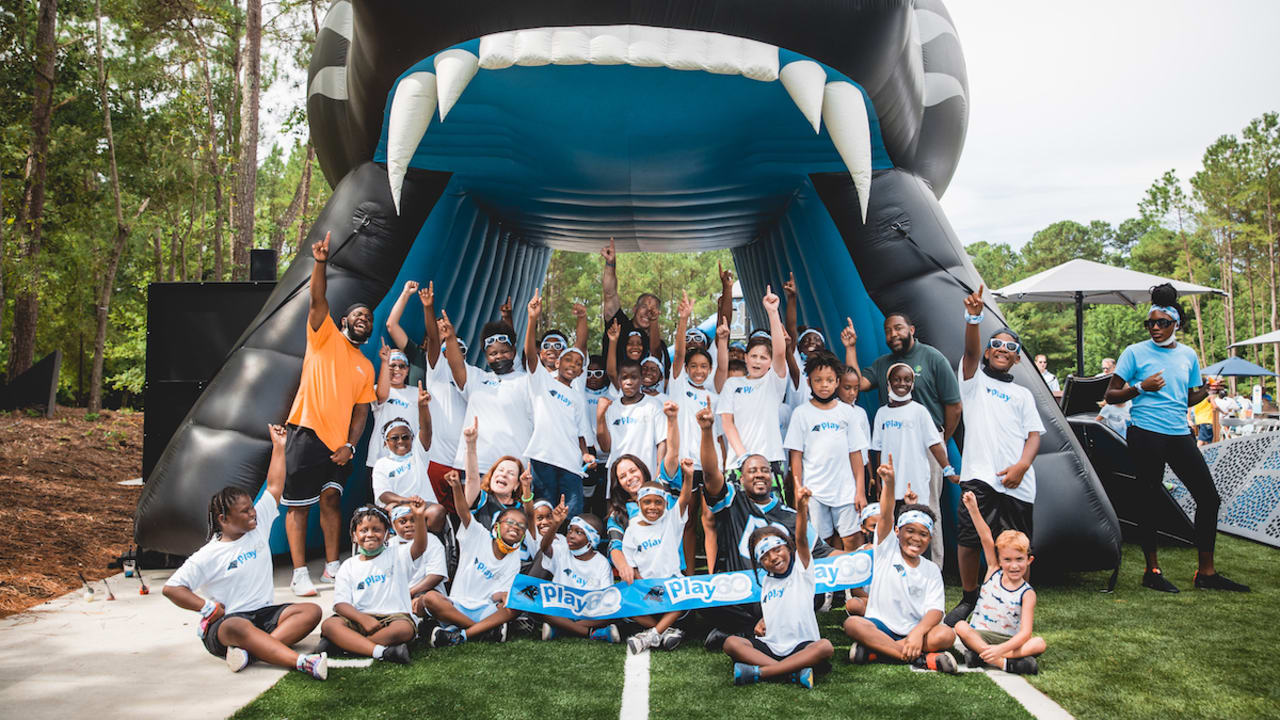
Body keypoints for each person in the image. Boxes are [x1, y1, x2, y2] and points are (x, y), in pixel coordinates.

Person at [1104, 284, 1249, 593]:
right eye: (1150, 323)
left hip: (1179, 433)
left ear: (1175, 324)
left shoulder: (1188, 355)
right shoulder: (1134, 352)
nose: (1155, 328)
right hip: (1145, 433)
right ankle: (1152, 570)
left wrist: (1210, 390)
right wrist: (1141, 387)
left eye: (1162, 323)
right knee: (1149, 500)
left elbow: (1187, 397)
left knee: (1209, 499)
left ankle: (1206, 573)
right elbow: (1111, 394)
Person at [163, 424, 327, 679]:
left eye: (251, 507)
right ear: (224, 519)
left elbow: (274, 486)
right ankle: (302, 662)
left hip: (262, 614)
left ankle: (251, 653)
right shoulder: (208, 555)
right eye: (244, 511)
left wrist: (279, 447)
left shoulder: (258, 525)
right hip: (228, 624)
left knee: (310, 612)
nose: (253, 513)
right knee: (237, 626)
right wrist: (206, 608)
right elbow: (172, 588)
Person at [697, 407, 838, 650]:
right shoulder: (732, 502)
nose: (759, 474)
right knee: (705, 598)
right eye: (752, 471)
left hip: (782, 592)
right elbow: (710, 475)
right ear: (741, 479)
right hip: (744, 594)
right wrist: (707, 430)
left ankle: (743, 633)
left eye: (765, 470)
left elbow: (825, 553)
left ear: (773, 477)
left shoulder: (791, 516)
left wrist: (865, 555)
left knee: (811, 595)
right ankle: (761, 628)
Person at [944, 286, 1043, 627]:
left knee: (1015, 543)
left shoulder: (1023, 394)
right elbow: (970, 352)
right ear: (987, 354)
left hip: (1018, 482)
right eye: (996, 345)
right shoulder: (974, 383)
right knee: (970, 540)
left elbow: (1034, 435)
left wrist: (1021, 466)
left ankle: (1012, 598)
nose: (1002, 349)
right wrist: (974, 318)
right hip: (979, 476)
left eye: (1010, 347)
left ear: (1018, 357)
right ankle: (970, 596)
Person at [284, 232, 377, 596]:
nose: (363, 319)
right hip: (306, 432)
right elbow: (317, 297)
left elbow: (361, 412)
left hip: (338, 446)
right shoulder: (323, 337)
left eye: (367, 317)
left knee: (331, 500)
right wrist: (319, 263)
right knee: (298, 506)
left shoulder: (365, 366)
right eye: (357, 315)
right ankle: (298, 572)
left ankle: (332, 566)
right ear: (342, 321)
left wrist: (350, 447)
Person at [842, 313, 961, 565]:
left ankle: (931, 567)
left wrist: (940, 440)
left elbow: (954, 406)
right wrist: (850, 347)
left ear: (911, 329)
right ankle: (896, 565)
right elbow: (856, 383)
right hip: (894, 448)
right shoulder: (884, 364)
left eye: (898, 328)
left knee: (926, 508)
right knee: (893, 509)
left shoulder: (932, 357)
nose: (893, 334)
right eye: (888, 331)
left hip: (928, 444)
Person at [843, 455, 958, 674]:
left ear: (930, 538)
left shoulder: (931, 569)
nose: (916, 538)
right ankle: (917, 658)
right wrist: (890, 483)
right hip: (881, 627)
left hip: (914, 631)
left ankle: (877, 652)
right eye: (910, 531)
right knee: (853, 624)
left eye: (923, 534)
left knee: (945, 635)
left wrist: (917, 634)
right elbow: (886, 515)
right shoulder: (887, 549)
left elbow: (935, 610)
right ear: (897, 532)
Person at [724, 484, 834, 689]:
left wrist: (801, 507)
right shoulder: (766, 581)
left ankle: (763, 672)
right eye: (764, 556)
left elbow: (801, 538)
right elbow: (779, 607)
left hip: (802, 646)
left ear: (788, 547)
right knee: (731, 643)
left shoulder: (802, 569)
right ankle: (791, 673)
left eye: (777, 549)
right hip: (773, 646)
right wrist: (763, 619)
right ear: (759, 563)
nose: (773, 558)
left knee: (825, 647)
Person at [386, 280, 469, 518]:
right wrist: (415, 299)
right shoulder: (421, 357)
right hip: (421, 437)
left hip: (447, 447)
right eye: (435, 340)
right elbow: (392, 326)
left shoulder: (466, 375)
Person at [422, 470, 527, 646]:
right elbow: (464, 512)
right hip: (456, 606)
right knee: (430, 598)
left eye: (521, 526)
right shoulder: (479, 535)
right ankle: (482, 631)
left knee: (515, 605)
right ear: (497, 526)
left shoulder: (514, 557)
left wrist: (504, 595)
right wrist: (456, 487)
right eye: (510, 522)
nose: (515, 527)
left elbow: (498, 595)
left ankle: (459, 635)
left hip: (485, 610)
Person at [319, 502, 431, 664]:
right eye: (363, 530)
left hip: (394, 618)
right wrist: (363, 619)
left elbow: (420, 546)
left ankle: (345, 645)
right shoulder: (348, 566)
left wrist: (419, 516)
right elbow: (340, 604)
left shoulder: (397, 555)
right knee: (330, 625)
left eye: (376, 530)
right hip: (359, 619)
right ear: (354, 536)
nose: (370, 534)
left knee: (404, 630)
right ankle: (383, 652)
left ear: (387, 535)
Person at [522, 290, 596, 519]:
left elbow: (580, 429)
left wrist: (585, 453)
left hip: (570, 462)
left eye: (577, 363)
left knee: (571, 514)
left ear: (582, 370)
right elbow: (530, 355)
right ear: (557, 361)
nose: (572, 365)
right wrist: (532, 319)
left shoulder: (576, 395)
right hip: (543, 457)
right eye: (567, 359)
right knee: (543, 510)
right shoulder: (541, 381)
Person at [953, 491, 1045, 674]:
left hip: (1009, 639)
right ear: (1000, 560)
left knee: (1039, 643)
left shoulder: (1027, 593)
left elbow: (1026, 633)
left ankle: (983, 656)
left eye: (1019, 559)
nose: (1014, 566)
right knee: (961, 626)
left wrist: (1000, 650)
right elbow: (986, 537)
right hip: (982, 634)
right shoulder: (993, 571)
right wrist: (973, 508)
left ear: (1029, 560)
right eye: (1008, 560)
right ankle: (1006, 663)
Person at [784, 352, 868, 552]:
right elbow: (795, 456)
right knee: (822, 544)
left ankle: (854, 584)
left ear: (837, 382)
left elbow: (855, 454)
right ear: (808, 382)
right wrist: (798, 490)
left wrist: (860, 492)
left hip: (846, 492)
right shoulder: (801, 414)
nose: (824, 385)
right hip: (814, 491)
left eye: (830, 380)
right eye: (818, 380)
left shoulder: (846, 412)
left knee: (852, 540)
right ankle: (828, 583)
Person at [670, 292, 729, 573]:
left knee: (710, 519)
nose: (698, 370)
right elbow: (679, 353)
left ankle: (714, 575)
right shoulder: (678, 386)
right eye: (693, 366)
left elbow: (718, 437)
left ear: (710, 369)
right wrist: (683, 319)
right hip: (686, 464)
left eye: (703, 366)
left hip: (711, 466)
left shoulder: (714, 395)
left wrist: (724, 463)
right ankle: (689, 574)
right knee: (687, 520)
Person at [868, 364, 957, 542]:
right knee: (892, 533)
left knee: (917, 530)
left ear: (913, 384)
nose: (902, 383)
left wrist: (948, 469)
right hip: (891, 487)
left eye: (907, 379)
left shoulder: (920, 411)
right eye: (897, 379)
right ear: (889, 383)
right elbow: (877, 449)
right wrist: (878, 481)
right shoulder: (882, 414)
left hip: (915, 485)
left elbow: (935, 444)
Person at [440, 311, 534, 478]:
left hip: (513, 468)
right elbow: (456, 364)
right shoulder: (476, 377)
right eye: (493, 353)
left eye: (504, 351)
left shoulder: (527, 381)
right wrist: (450, 337)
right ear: (486, 356)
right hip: (473, 466)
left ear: (513, 351)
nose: (499, 356)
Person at [622, 457, 696, 655]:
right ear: (639, 503)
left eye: (658, 502)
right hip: (648, 589)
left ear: (665, 503)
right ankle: (664, 632)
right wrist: (644, 588)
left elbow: (685, 498)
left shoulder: (671, 520)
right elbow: (632, 565)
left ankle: (651, 634)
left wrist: (688, 476)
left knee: (684, 599)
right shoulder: (632, 529)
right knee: (626, 606)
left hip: (672, 585)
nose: (653, 507)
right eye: (647, 502)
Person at [719, 286, 789, 479]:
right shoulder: (732, 385)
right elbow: (727, 423)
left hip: (770, 459)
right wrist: (743, 456)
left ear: (770, 362)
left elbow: (781, 352)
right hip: (737, 461)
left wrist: (772, 312)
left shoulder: (773, 382)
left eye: (764, 358)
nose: (758, 361)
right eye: (754, 356)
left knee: (771, 509)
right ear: (746, 358)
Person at [533, 498, 621, 643]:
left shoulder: (601, 563)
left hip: (589, 613)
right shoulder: (562, 550)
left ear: (592, 539)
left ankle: (560, 629)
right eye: (570, 530)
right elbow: (544, 547)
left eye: (579, 532)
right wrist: (555, 523)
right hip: (561, 609)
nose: (571, 535)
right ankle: (591, 633)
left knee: (613, 612)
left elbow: (607, 597)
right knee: (536, 605)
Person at [368, 383, 446, 533]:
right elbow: (384, 495)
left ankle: (428, 543)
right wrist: (407, 501)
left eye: (405, 437)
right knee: (389, 512)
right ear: (386, 443)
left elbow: (426, 429)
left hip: (424, 507)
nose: (401, 441)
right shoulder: (381, 464)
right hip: (398, 507)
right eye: (394, 438)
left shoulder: (419, 453)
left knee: (437, 511)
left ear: (412, 438)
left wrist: (423, 407)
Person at [598, 331, 666, 479]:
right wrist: (600, 417)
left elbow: (662, 442)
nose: (629, 382)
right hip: (618, 478)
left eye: (634, 377)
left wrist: (659, 474)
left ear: (641, 379)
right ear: (619, 381)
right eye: (624, 378)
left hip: (647, 474)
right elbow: (605, 447)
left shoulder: (654, 405)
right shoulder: (612, 407)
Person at [601, 238, 670, 374]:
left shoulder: (658, 345)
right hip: (611, 390)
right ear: (634, 309)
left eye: (653, 308)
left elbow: (666, 378)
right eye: (644, 306)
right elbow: (610, 294)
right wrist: (610, 264)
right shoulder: (618, 324)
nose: (648, 312)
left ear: (658, 314)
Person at [385, 504, 449, 617]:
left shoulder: (431, 540)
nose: (408, 525)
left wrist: (410, 592)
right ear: (393, 525)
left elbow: (436, 575)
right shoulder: (388, 545)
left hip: (426, 591)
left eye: (413, 520)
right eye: (402, 521)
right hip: (397, 595)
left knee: (424, 602)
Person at [367, 341, 418, 473]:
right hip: (380, 460)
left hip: (408, 462)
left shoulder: (417, 393)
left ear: (407, 370)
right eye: (392, 366)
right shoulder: (378, 389)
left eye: (401, 366)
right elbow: (381, 397)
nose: (397, 370)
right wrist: (385, 362)